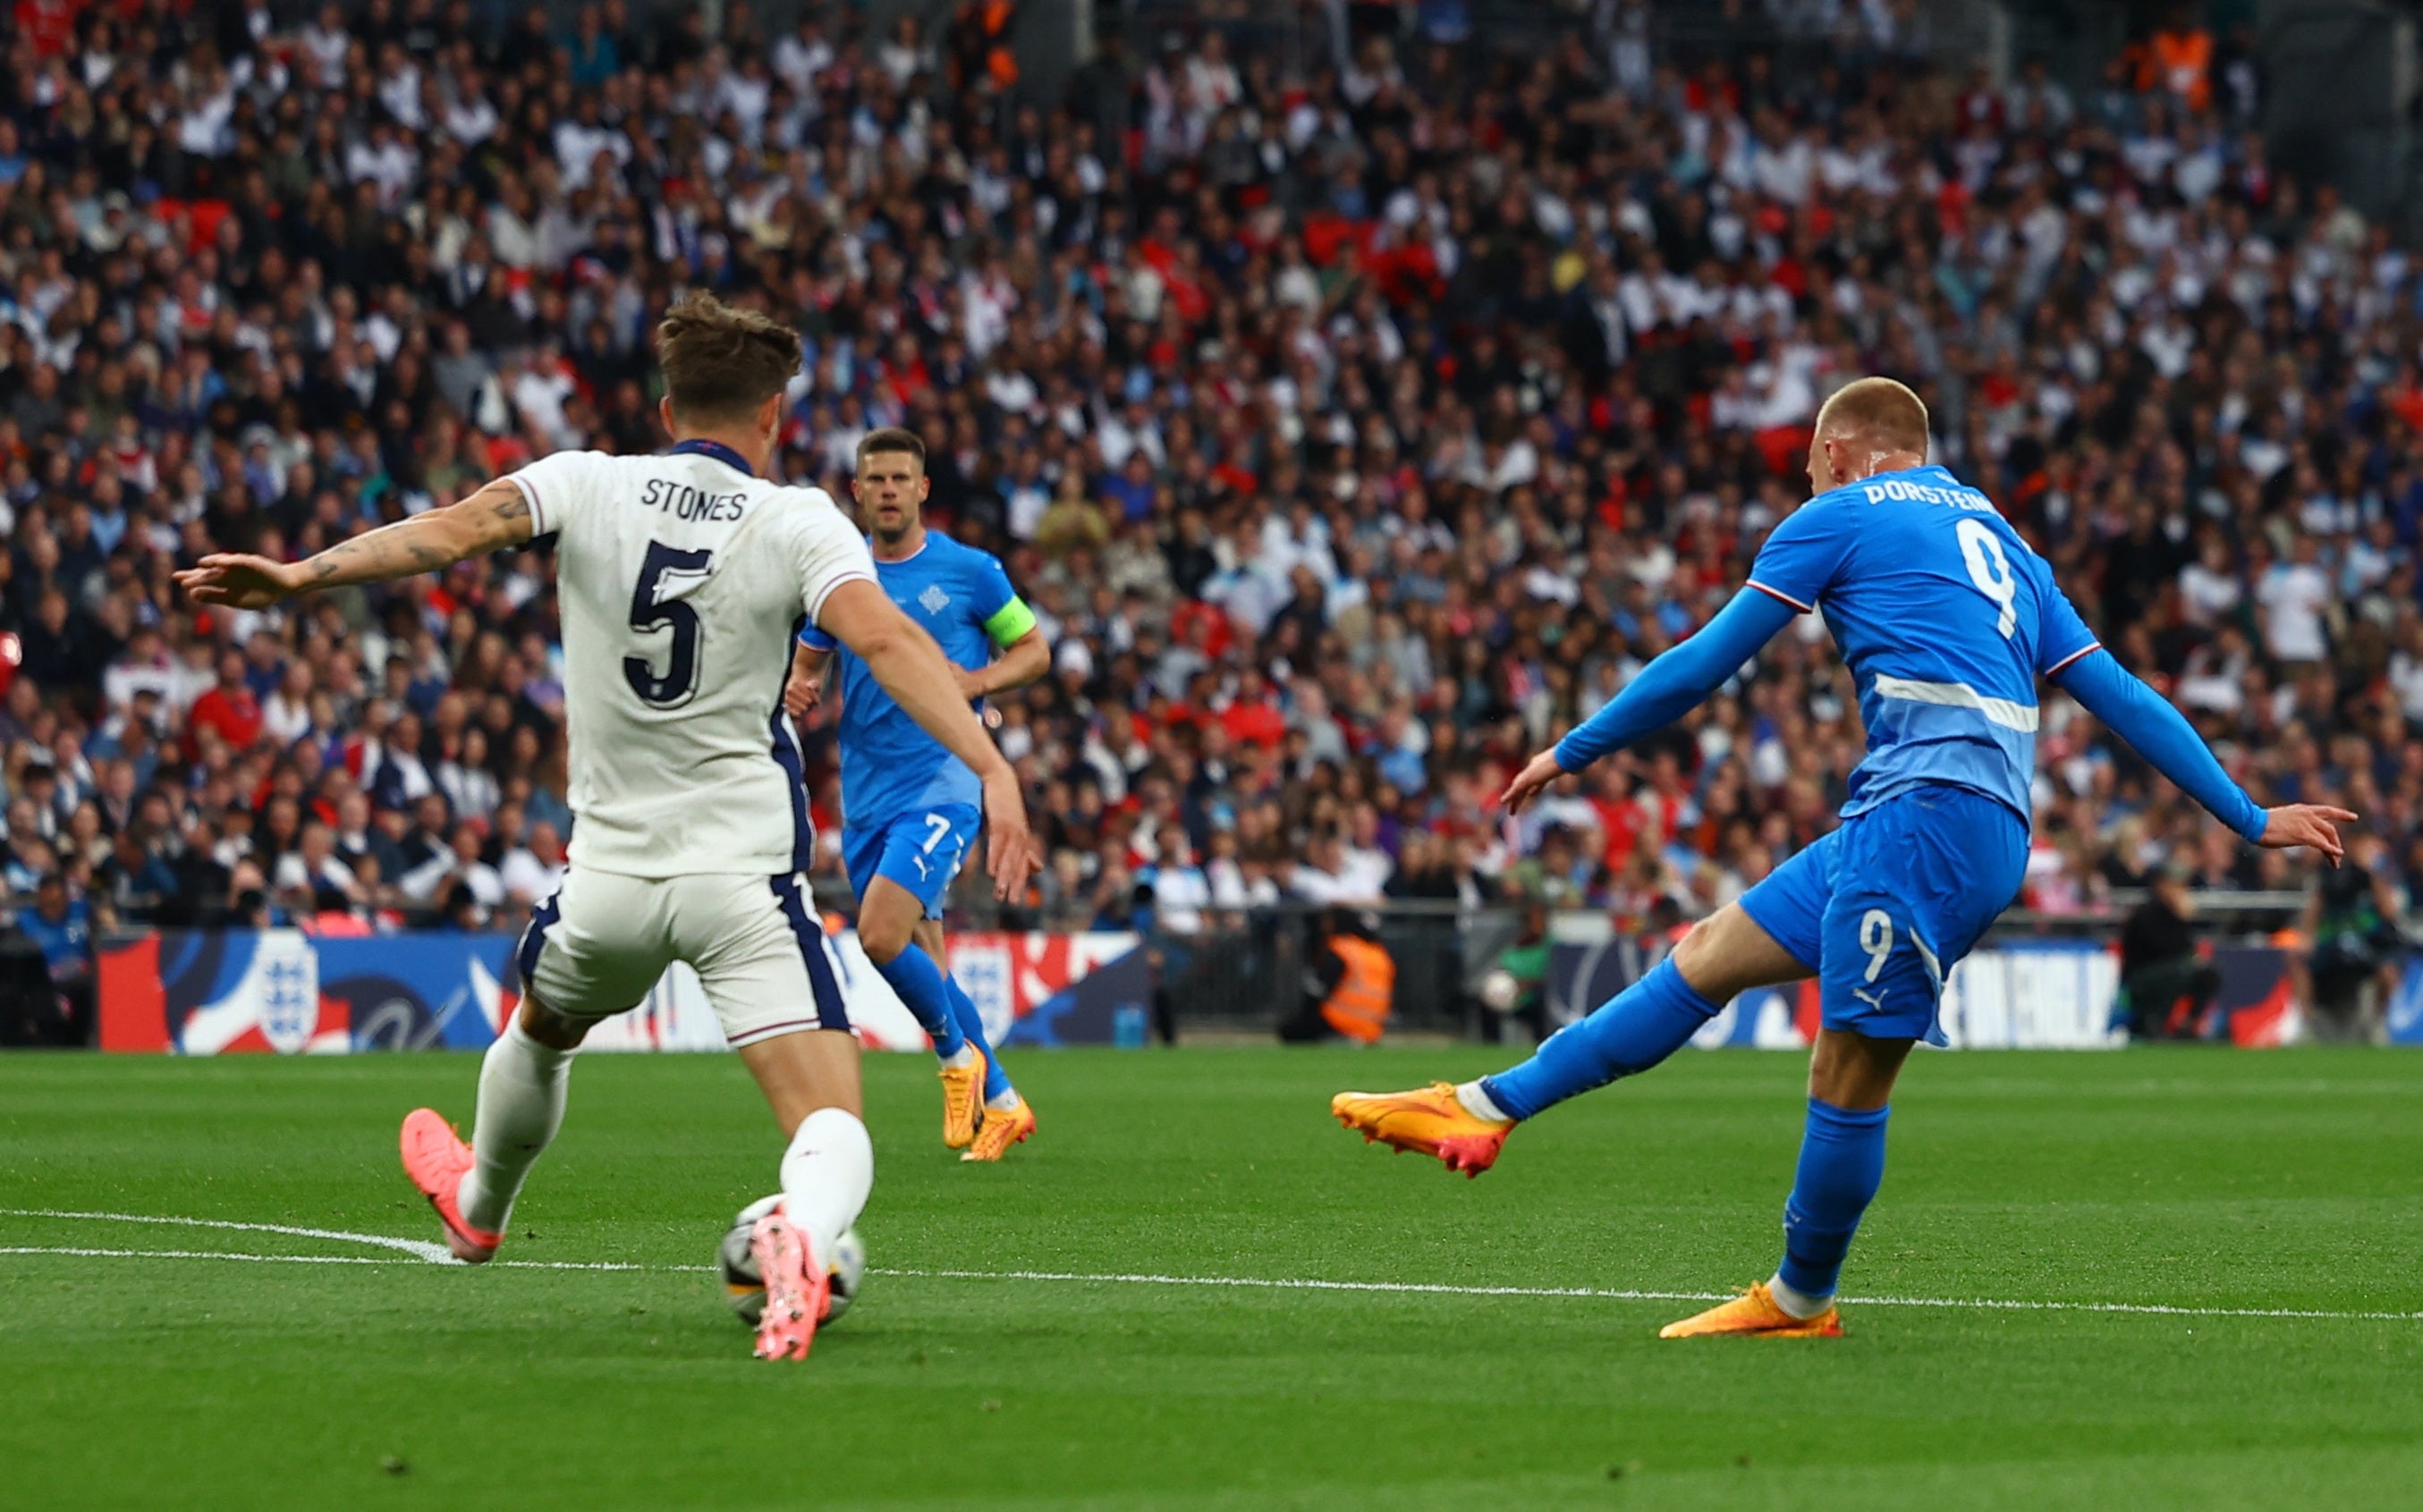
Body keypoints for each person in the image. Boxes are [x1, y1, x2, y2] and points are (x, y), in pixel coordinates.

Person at [1331, 377, 2355, 1339]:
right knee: (1709, 954)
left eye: (1809, 467)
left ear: (1835, 451)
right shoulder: (2004, 541)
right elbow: (2125, 693)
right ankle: (1484, 1104)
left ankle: (1800, 1295)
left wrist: (1570, 750)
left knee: (1848, 1069)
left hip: (1925, 821)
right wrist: (2246, 812)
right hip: (1949, 819)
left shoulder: (1839, 514)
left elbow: (1703, 663)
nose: (1806, 484)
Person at [178, 292, 1039, 1364]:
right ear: (774, 414)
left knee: (539, 1027)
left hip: (610, 879)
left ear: (667, 403)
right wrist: (994, 763)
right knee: (833, 1124)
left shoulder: (584, 480)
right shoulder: (801, 518)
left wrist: (305, 574)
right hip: (742, 880)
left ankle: (481, 1204)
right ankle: (800, 1234)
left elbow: (450, 531)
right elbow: (891, 639)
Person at [784, 427, 1050, 1161]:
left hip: (943, 779)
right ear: (859, 491)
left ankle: (953, 1056)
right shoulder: (840, 580)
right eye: (877, 480)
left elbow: (1033, 649)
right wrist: (801, 685)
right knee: (921, 954)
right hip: (866, 792)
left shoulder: (971, 571)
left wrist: (976, 681)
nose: (891, 490)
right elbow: (810, 659)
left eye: (903, 478)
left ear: (923, 488)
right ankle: (1002, 1101)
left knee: (879, 932)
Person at [2117, 862, 2221, 1040]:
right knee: (2181, 970)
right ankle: (2153, 1022)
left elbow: (2186, 946)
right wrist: (2182, 918)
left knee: (2208, 973)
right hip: (2141, 978)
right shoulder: (2147, 913)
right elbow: (2166, 948)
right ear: (2160, 884)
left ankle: (2188, 1024)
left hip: (2167, 971)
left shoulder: (2172, 912)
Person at [1280, 908, 1394, 1043]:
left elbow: (1318, 990)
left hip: (1339, 1022)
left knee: (1289, 1031)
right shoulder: (1378, 952)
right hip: (1371, 1029)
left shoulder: (1342, 949)